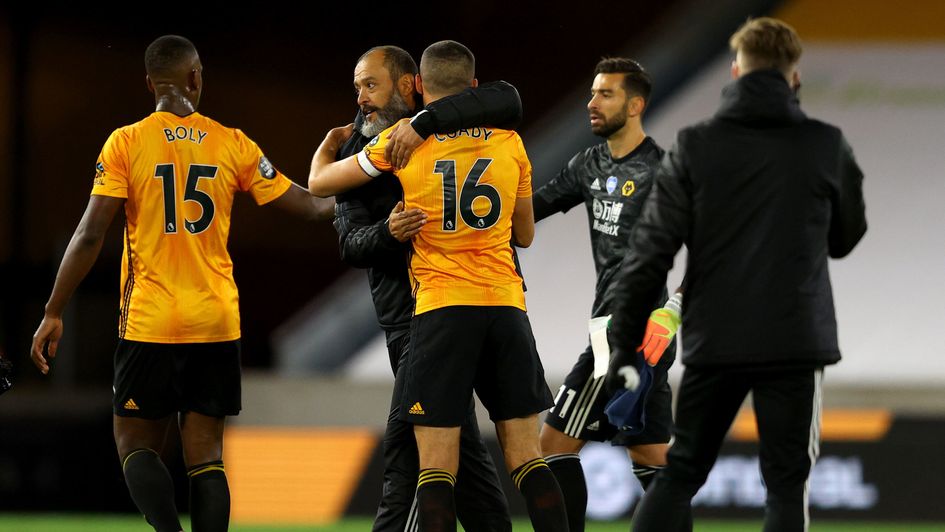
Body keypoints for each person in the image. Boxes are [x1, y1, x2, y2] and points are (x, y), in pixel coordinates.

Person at [29, 35, 332, 532]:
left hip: (149, 319)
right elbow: (314, 206)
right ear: (196, 77)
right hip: (215, 321)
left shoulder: (125, 142)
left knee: (134, 446)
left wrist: (53, 310)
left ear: (150, 84)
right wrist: (362, 174)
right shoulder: (233, 142)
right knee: (207, 457)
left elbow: (88, 235)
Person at [605, 18, 867, 532]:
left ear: (734, 70)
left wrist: (622, 343)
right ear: (794, 76)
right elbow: (845, 239)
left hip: (716, 338)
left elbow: (651, 252)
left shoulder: (696, 145)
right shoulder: (824, 144)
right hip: (795, 339)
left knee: (680, 473)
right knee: (787, 486)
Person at [310, 40, 568, 532]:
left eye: (370, 84)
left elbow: (321, 184)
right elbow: (526, 234)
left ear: (418, 86)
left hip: (438, 313)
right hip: (506, 308)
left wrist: (326, 149)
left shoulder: (399, 147)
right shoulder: (509, 141)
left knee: (431, 469)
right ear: (471, 89)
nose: (361, 96)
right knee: (527, 460)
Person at [528, 57, 681, 532]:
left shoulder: (663, 170)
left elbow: (716, 245)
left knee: (552, 446)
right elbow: (529, 214)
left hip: (628, 335)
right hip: (609, 330)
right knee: (653, 457)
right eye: (592, 93)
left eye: (605, 94)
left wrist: (673, 310)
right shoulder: (588, 165)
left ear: (636, 105)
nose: (591, 103)